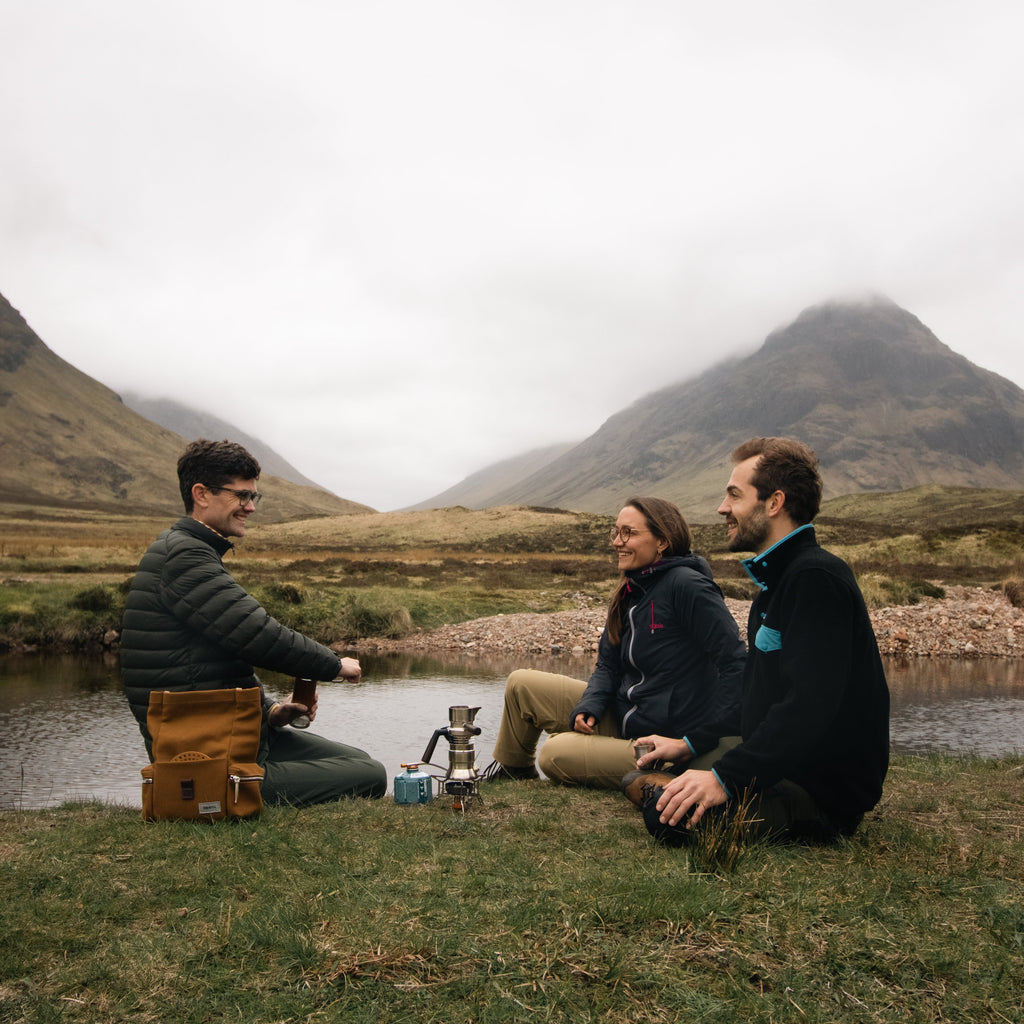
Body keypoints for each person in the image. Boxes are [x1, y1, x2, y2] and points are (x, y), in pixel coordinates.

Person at [625, 437, 890, 845]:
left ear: (774, 502)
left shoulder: (816, 579)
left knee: (668, 820)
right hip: (785, 764)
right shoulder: (777, 585)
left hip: (819, 790)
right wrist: (687, 743)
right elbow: (757, 699)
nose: (722, 508)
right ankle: (678, 780)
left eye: (734, 494)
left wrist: (724, 779)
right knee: (640, 776)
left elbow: (809, 707)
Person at [121, 439, 386, 805]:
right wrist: (333, 664)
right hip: (203, 754)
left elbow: (214, 659)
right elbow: (256, 634)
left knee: (357, 762)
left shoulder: (190, 550)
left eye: (253, 498)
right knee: (369, 776)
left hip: (227, 731)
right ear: (201, 494)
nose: (250, 507)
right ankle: (217, 791)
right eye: (242, 496)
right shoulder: (183, 556)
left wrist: (271, 711)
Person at [485, 496, 746, 789]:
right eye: (616, 532)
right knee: (521, 684)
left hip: (662, 743)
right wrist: (591, 704)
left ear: (662, 541)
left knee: (554, 752)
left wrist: (692, 742)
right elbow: (608, 664)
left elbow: (737, 665)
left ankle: (669, 768)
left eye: (629, 533)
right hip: (626, 715)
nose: (617, 542)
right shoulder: (631, 588)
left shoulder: (688, 586)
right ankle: (514, 772)